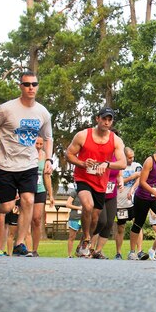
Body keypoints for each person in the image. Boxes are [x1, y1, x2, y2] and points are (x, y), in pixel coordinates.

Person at [0, 71, 53, 257]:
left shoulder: (42, 112)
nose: (31, 88)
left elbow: (48, 137)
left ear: (37, 86)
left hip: (29, 165)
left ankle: (20, 244)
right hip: (5, 165)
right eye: (27, 84)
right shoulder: (6, 109)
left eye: (34, 84)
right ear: (20, 86)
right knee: (7, 206)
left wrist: (49, 159)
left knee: (28, 200)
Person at [65, 107, 126, 256]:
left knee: (95, 218)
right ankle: (86, 238)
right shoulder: (83, 135)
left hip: (101, 182)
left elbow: (123, 163)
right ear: (97, 119)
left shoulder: (115, 140)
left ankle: (83, 243)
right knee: (88, 205)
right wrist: (82, 163)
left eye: (109, 120)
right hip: (83, 178)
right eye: (104, 118)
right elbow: (69, 155)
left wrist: (107, 164)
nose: (106, 122)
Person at [129, 135, 156, 261]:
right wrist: (155, 191)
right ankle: (132, 252)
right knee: (138, 223)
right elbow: (142, 182)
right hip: (142, 197)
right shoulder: (149, 161)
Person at [115, 147, 142, 260]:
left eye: (133, 157)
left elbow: (140, 178)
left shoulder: (137, 166)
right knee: (121, 227)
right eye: (129, 157)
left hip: (134, 200)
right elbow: (116, 182)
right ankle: (119, 253)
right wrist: (131, 177)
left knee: (138, 225)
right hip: (120, 202)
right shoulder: (118, 166)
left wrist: (132, 189)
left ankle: (139, 251)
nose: (132, 159)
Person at [30, 136, 54, 257]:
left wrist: (51, 195)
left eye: (40, 144)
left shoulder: (46, 157)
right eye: (36, 144)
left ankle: (35, 249)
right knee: (26, 219)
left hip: (40, 190)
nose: (38, 146)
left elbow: (47, 176)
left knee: (37, 219)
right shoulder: (27, 154)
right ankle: (23, 246)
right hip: (27, 189)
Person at [64, 188, 83, 258]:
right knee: (72, 236)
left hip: (85, 218)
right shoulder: (75, 192)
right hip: (75, 217)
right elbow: (68, 204)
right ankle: (69, 254)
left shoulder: (89, 192)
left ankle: (79, 248)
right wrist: (78, 208)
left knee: (86, 235)